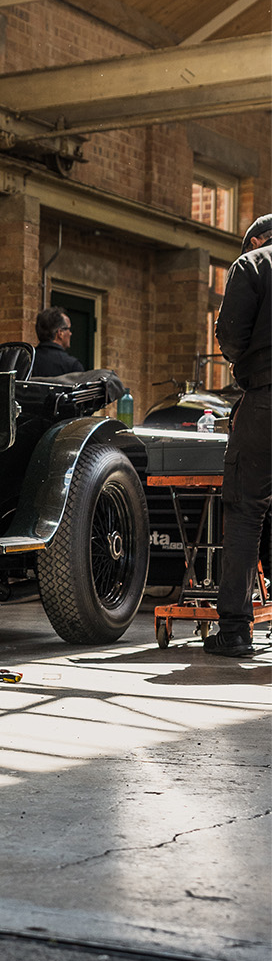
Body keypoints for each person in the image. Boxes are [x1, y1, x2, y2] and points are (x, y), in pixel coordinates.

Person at [206, 212, 272, 658]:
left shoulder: (253, 265)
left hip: (267, 400)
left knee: (246, 511)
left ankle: (234, 631)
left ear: (257, 239)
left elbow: (229, 335)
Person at [31, 306, 85, 377]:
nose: (70, 333)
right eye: (69, 329)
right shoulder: (72, 366)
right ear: (60, 333)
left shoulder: (27, 361)